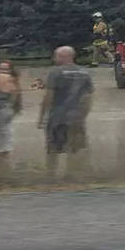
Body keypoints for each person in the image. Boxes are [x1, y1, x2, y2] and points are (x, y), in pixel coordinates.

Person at [38, 46, 94, 178]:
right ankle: (71, 175)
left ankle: (51, 174)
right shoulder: (84, 72)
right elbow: (88, 97)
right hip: (77, 118)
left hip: (58, 117)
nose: (54, 58)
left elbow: (49, 96)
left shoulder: (55, 72)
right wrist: (83, 114)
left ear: (65, 56)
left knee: (52, 148)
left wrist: (42, 116)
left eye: (56, 56)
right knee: (74, 149)